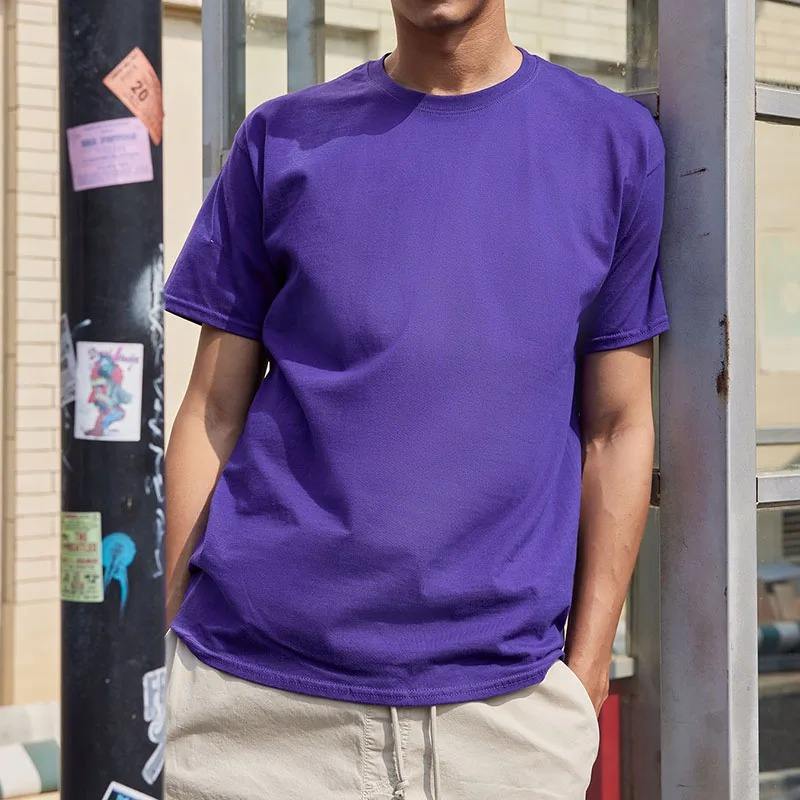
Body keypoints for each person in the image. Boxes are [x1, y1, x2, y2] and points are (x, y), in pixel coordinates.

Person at [161, 0, 671, 797]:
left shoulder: (611, 144)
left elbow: (620, 424)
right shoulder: (282, 138)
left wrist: (588, 667)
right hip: (258, 711)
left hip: (506, 722)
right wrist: (169, 635)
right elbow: (210, 412)